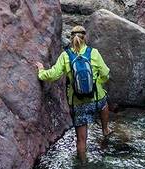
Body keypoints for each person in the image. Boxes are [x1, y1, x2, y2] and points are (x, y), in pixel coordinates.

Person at [35, 26, 111, 161]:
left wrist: (41, 71)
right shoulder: (94, 53)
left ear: (71, 39)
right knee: (104, 102)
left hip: (78, 102)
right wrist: (98, 82)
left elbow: (53, 75)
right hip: (96, 98)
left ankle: (83, 164)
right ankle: (105, 129)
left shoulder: (66, 56)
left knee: (81, 141)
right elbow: (106, 73)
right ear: (85, 38)